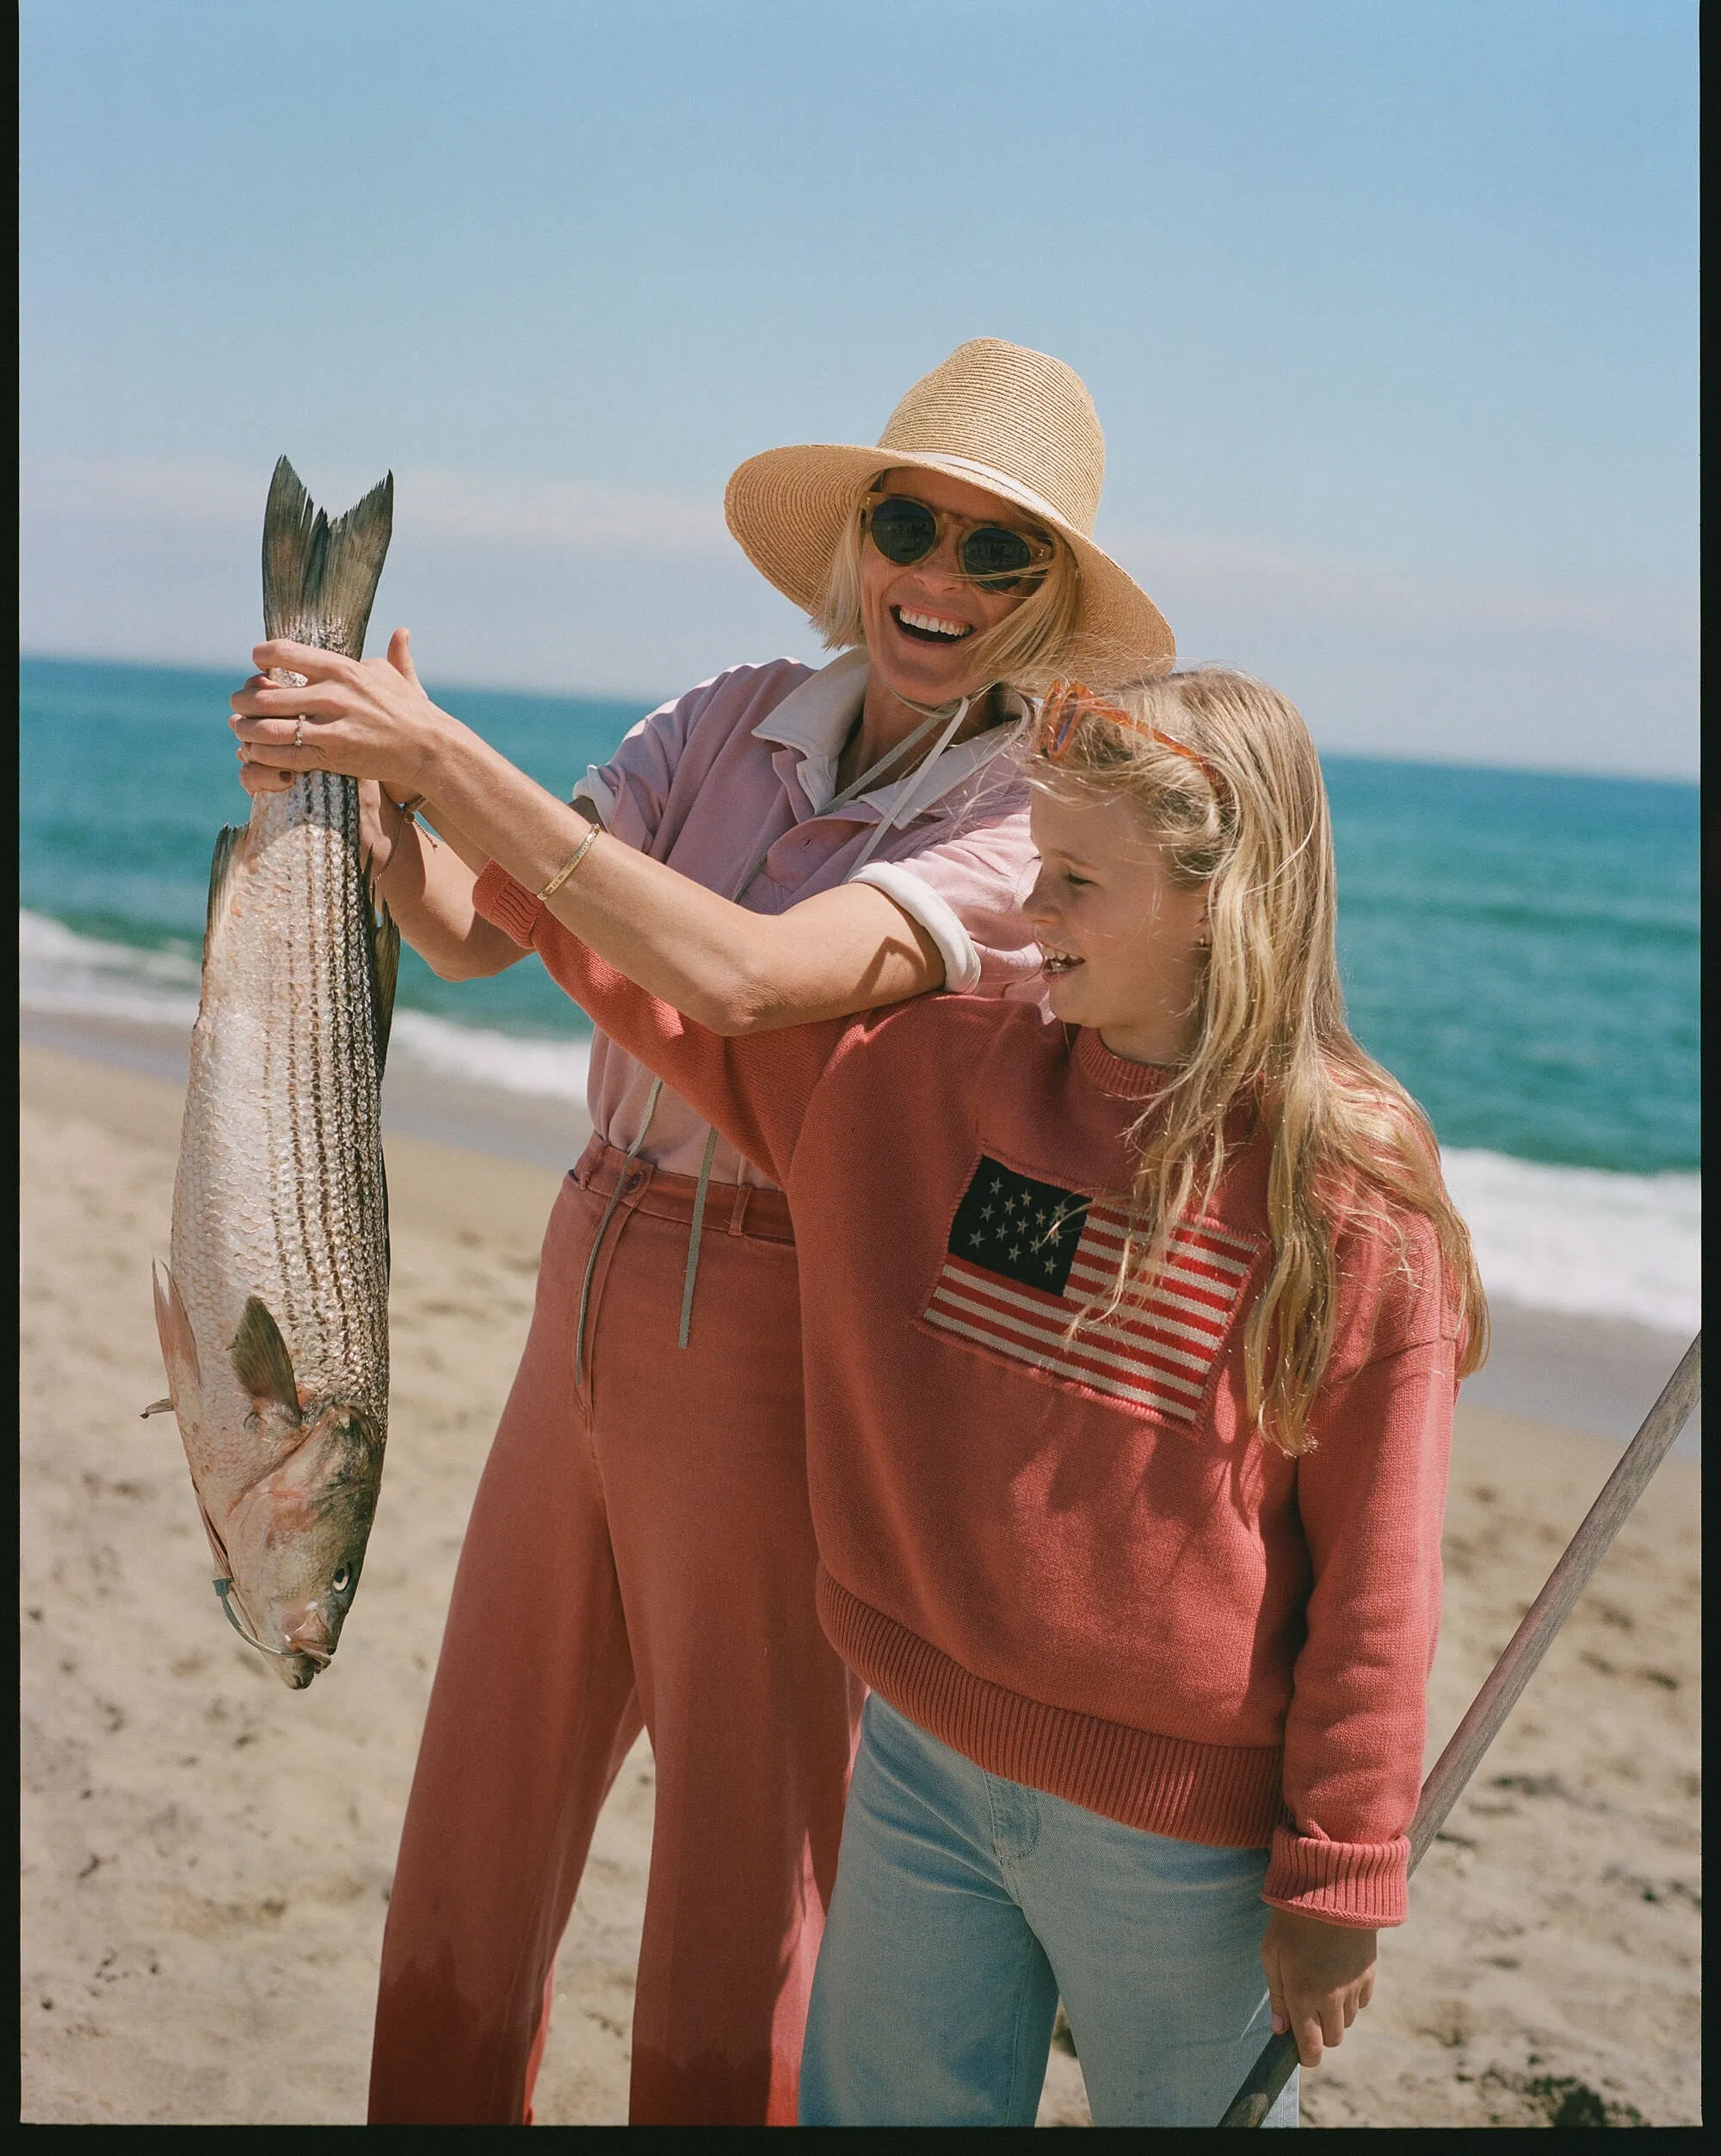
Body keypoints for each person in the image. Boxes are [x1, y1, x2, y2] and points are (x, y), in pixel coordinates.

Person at [229, 339, 1176, 2125]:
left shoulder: (1017, 814)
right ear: (858, 537)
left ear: (1047, 598)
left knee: (744, 1883)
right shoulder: (728, 709)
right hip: (583, 1266)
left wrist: (441, 756)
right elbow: (471, 931)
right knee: (472, 1825)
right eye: (912, 522)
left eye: (999, 554)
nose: (940, 579)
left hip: (785, 1334)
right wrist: (363, 793)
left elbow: (745, 982)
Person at [407, 667, 1486, 2128]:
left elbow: (1379, 1578)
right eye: (1036, 867)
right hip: (917, 1780)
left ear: (1219, 898)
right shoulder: (956, 1092)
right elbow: (699, 1015)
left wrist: (1343, 1872)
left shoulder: (1345, 1202)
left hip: (1170, 1848)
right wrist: (480, 861)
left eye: (1076, 881)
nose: (1027, 915)